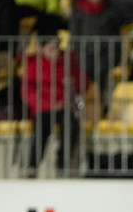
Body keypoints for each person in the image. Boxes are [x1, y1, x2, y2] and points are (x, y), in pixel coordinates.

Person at [21, 32, 87, 175]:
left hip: (64, 106)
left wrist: (72, 93)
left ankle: (62, 165)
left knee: (70, 125)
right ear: (42, 48)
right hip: (43, 108)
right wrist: (49, 104)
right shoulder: (34, 64)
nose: (55, 51)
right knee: (40, 129)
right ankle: (32, 165)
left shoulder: (68, 62)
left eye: (57, 47)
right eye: (51, 48)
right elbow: (27, 91)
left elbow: (83, 82)